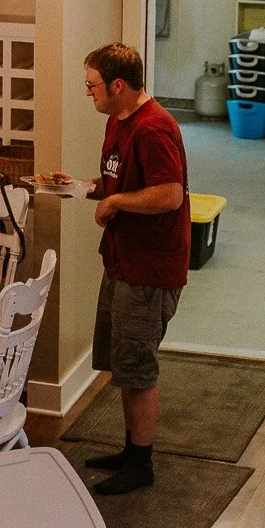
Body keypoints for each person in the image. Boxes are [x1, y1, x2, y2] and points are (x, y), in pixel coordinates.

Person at [73, 42, 189, 495]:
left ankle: (141, 464)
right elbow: (120, 180)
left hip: (149, 269)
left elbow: (170, 194)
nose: (89, 93)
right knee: (123, 363)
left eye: (91, 85)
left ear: (117, 85)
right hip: (122, 261)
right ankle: (130, 449)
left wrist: (116, 201)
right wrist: (86, 188)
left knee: (139, 367)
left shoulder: (153, 128)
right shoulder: (117, 121)